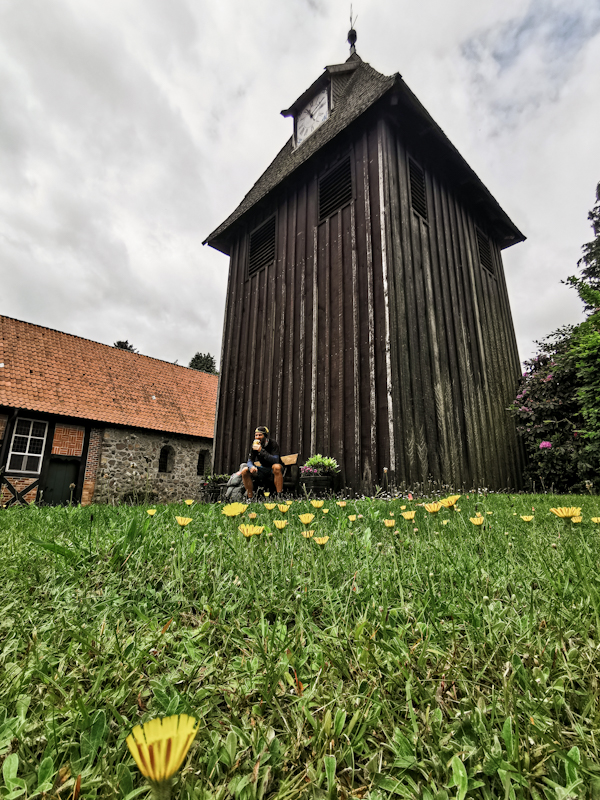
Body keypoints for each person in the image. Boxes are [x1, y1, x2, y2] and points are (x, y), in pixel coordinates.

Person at [241, 426, 283, 499]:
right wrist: (251, 467)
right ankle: (250, 498)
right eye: (256, 435)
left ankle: (279, 496)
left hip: (272, 469)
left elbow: (275, 460)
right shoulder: (255, 445)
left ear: (265, 436)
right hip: (262, 469)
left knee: (276, 467)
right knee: (244, 471)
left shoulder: (273, 443)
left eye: (260, 435)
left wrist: (261, 451)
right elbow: (250, 460)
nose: (257, 437)